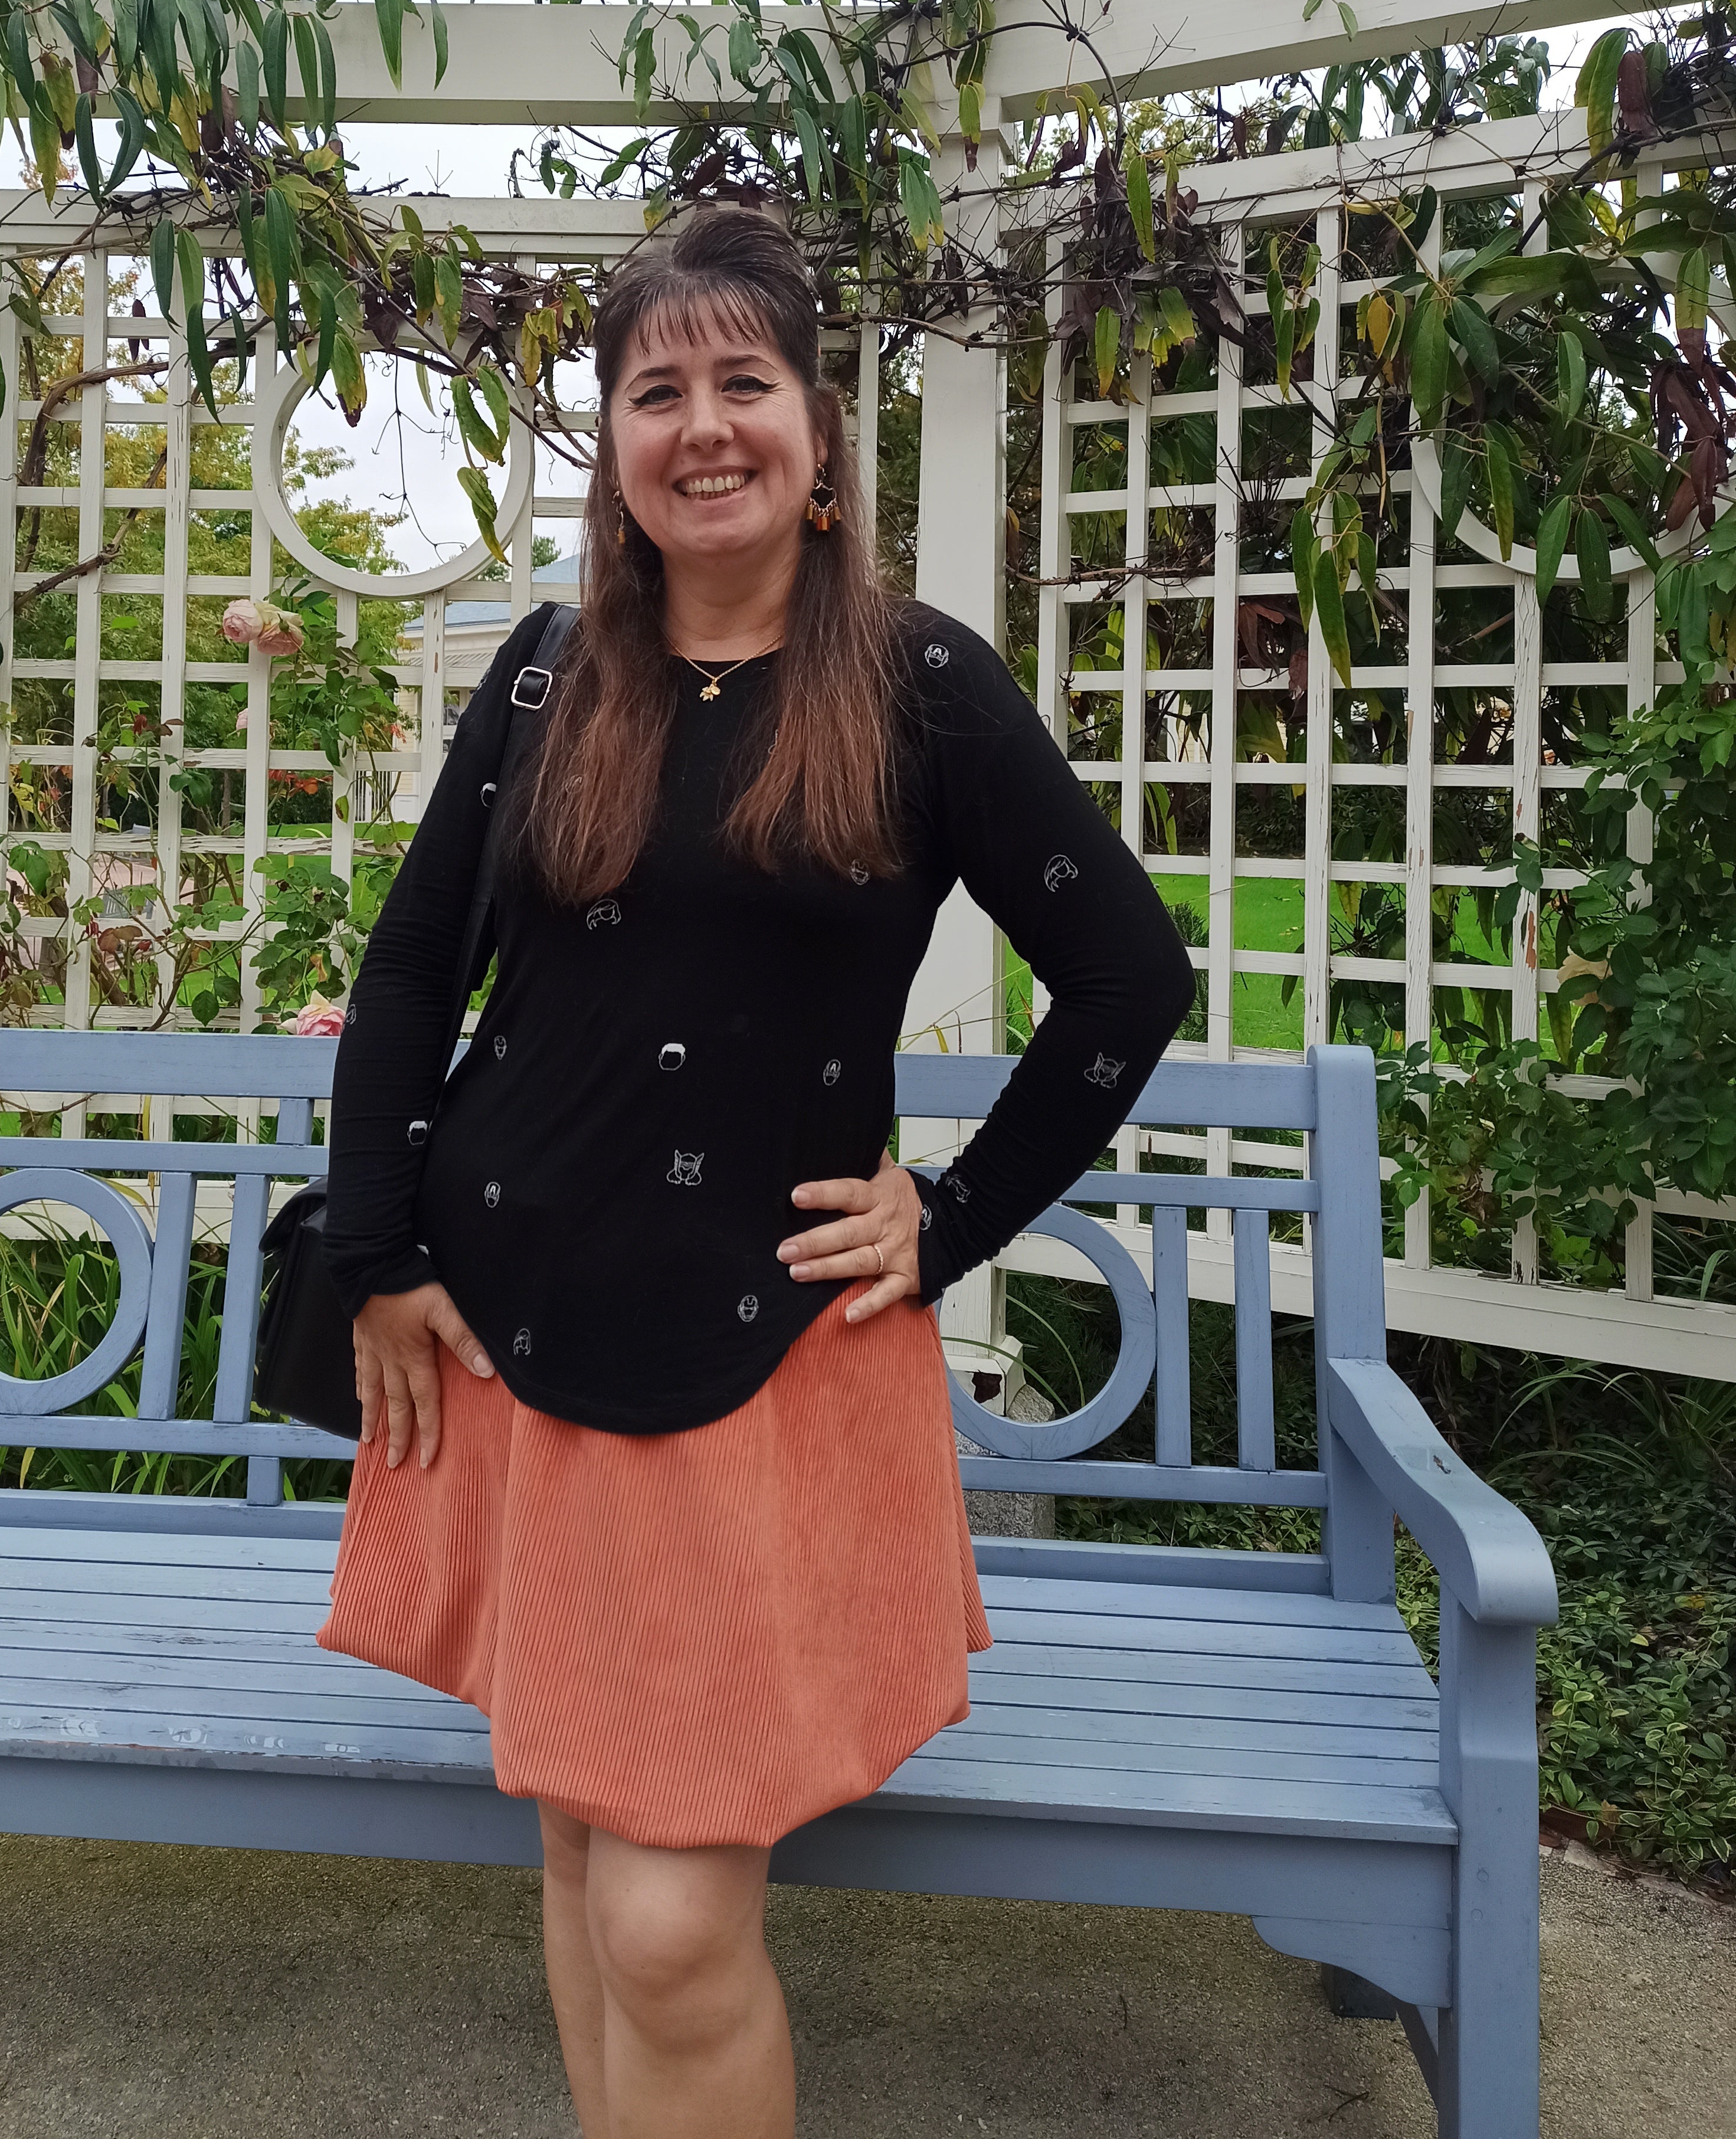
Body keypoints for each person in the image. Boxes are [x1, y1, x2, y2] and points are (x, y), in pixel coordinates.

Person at [318, 204, 1194, 2139]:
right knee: (582, 1853)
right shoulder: (548, 677)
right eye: (655, 390)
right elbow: (408, 974)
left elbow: (1130, 976)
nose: (700, 424)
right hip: (510, 1344)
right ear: (617, 451)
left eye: (742, 381)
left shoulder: (916, 688)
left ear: (813, 436)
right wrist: (373, 1249)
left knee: (663, 1916)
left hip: (757, 1372)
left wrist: (952, 1214)